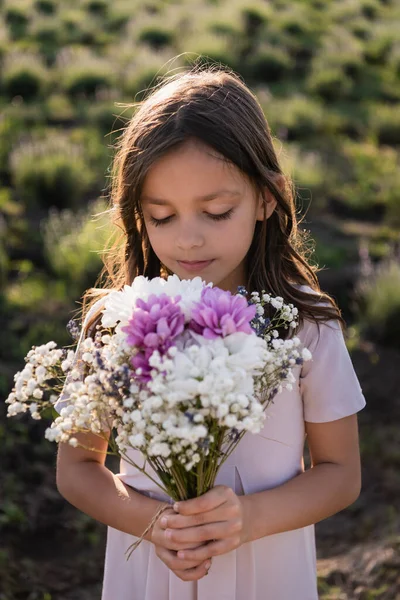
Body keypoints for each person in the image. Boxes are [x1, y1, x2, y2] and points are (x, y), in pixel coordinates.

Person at [55, 65, 366, 600]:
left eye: (217, 212)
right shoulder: (117, 325)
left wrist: (248, 517)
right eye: (162, 216)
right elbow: (77, 468)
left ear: (267, 198)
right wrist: (155, 524)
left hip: (266, 573)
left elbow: (340, 473)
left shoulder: (308, 327)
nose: (189, 240)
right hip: (151, 577)